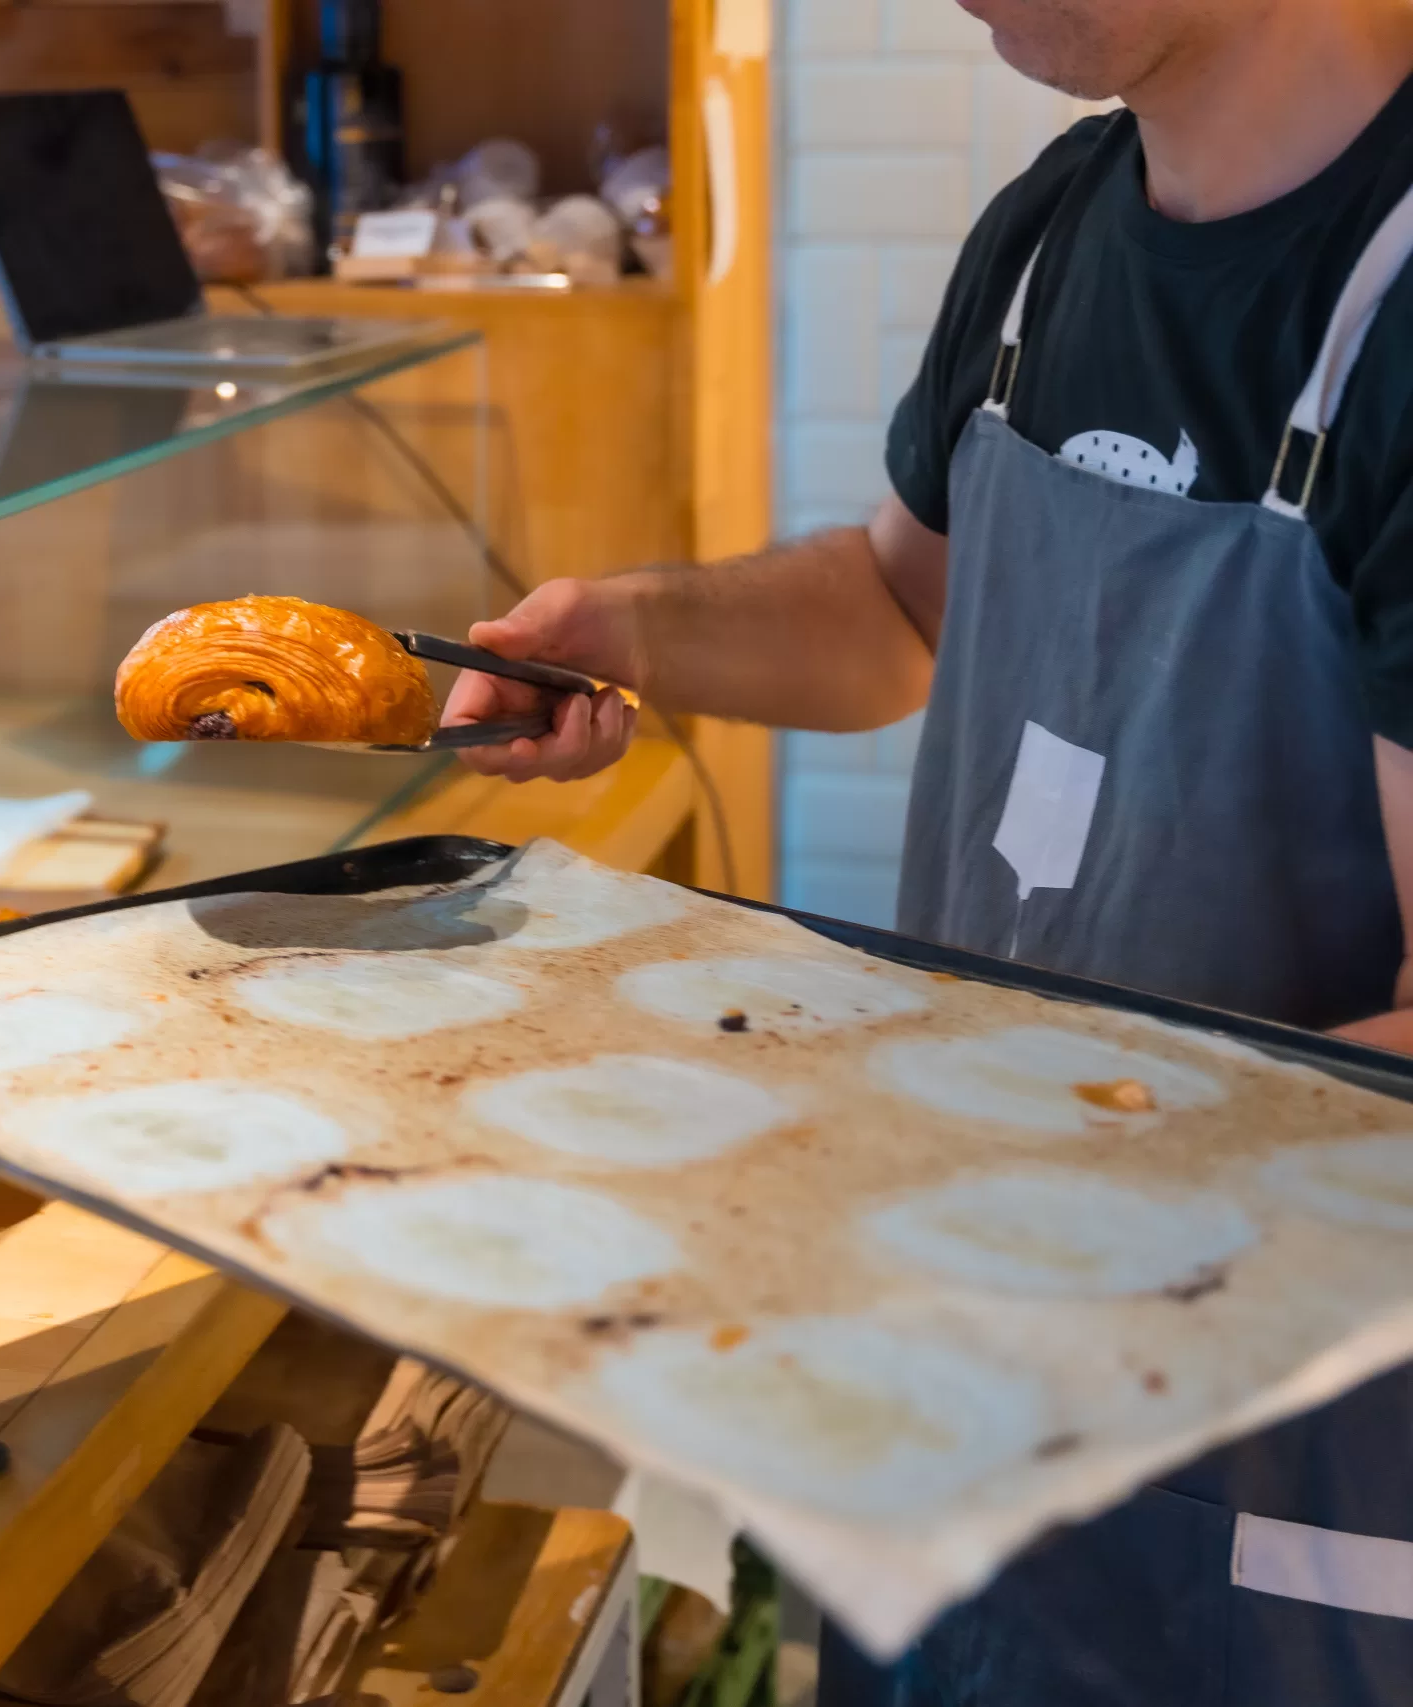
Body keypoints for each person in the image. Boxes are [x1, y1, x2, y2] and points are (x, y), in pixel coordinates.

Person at [443, 0, 1413, 1700]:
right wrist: (633, 632)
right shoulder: (1053, 231)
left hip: (1275, 1479)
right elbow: (907, 606)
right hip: (970, 1400)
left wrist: (922, 1163)